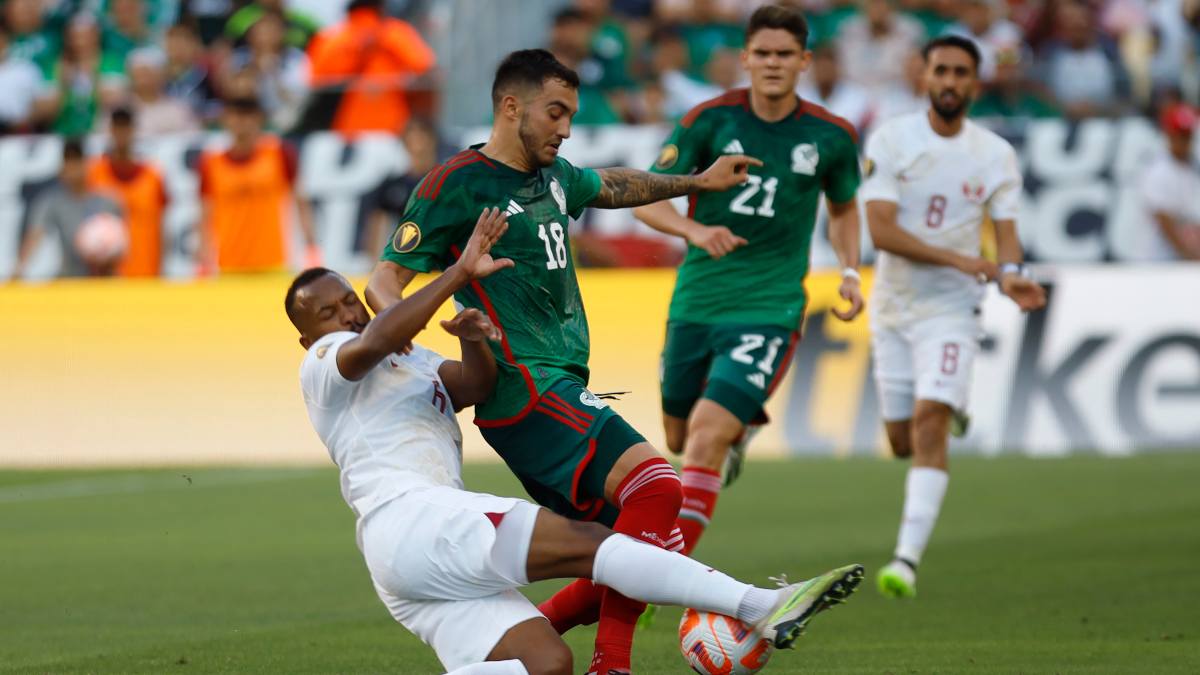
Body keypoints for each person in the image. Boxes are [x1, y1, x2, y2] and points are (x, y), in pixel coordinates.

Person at [290, 209, 864, 675]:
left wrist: (473, 340)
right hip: (413, 517)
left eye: (349, 300)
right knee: (591, 541)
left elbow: (475, 385)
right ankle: (757, 605)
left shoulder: (412, 361)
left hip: (410, 551)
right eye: (328, 312)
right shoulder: (324, 363)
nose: (347, 314)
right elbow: (370, 343)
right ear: (305, 336)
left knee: (545, 663)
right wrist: (459, 274)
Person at [365, 48, 759, 675]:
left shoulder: (554, 175)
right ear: (511, 106)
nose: (566, 127)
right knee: (657, 488)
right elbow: (385, 280)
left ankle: (523, 639)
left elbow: (615, 184)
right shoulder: (455, 184)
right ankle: (612, 666)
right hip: (521, 386)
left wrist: (698, 182)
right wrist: (404, 336)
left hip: (560, 382)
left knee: (638, 547)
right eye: (556, 112)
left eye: (571, 114)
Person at [632, 5, 865, 557]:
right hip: (697, 300)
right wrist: (694, 229)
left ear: (805, 61)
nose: (773, 64)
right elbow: (645, 198)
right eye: (762, 53)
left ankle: (666, 571)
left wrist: (851, 270)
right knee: (679, 439)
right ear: (745, 58)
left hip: (771, 304)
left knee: (706, 435)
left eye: (785, 54)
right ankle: (736, 435)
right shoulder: (709, 121)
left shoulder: (831, 136)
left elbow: (845, 208)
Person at [860, 35, 1046, 599]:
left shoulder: (994, 153)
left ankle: (905, 562)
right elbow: (881, 230)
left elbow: (1007, 234)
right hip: (893, 305)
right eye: (940, 69)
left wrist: (1010, 270)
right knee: (899, 440)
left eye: (961, 72)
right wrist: (965, 257)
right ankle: (952, 401)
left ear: (975, 82)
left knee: (929, 422)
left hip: (952, 307)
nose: (949, 81)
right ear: (924, 76)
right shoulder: (892, 139)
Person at [197, 96, 318, 274]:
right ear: (225, 120)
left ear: (259, 119)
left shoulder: (279, 153)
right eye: (235, 116)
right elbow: (205, 214)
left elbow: (301, 202)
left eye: (247, 116)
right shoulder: (211, 163)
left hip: (276, 264)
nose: (241, 123)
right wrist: (203, 257)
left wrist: (311, 247)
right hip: (228, 266)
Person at [306, 0, 435, 137]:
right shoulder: (396, 32)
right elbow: (426, 70)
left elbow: (315, 76)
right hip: (394, 130)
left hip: (346, 134)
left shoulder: (333, 39)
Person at [12, 138, 123, 279]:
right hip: (70, 279)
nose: (72, 167)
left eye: (77, 160)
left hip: (103, 280)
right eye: (68, 161)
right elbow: (35, 234)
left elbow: (122, 243)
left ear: (86, 164)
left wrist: (106, 254)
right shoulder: (53, 201)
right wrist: (19, 269)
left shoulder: (108, 200)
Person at [87, 107, 169, 277]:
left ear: (134, 131)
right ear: (110, 130)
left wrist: (163, 267)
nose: (121, 134)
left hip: (146, 271)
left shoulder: (153, 176)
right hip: (106, 276)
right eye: (117, 127)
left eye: (126, 127)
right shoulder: (95, 173)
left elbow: (162, 225)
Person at [1135, 103, 1200, 261]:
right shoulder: (1158, 171)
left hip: (1182, 260)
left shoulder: (1193, 167)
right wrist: (1190, 255)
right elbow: (1164, 221)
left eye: (1188, 135)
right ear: (1169, 135)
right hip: (1158, 262)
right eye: (1181, 135)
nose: (1186, 141)